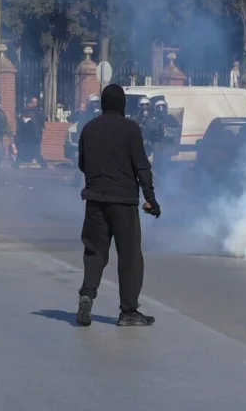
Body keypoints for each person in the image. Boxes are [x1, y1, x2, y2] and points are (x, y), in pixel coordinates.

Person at [76, 84, 161, 327]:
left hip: (94, 200)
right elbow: (141, 166)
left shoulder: (89, 129)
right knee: (129, 256)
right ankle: (128, 311)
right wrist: (150, 198)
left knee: (94, 252)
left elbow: (82, 163)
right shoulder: (130, 129)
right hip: (123, 202)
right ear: (123, 105)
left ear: (102, 104)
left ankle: (86, 294)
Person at [149, 99, 181, 176]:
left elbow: (177, 129)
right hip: (157, 146)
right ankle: (159, 179)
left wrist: (169, 130)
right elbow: (150, 131)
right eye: (158, 107)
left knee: (166, 165)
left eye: (163, 106)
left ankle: (166, 179)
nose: (161, 109)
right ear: (155, 108)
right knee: (157, 165)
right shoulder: (154, 118)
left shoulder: (171, 118)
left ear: (166, 107)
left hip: (168, 145)